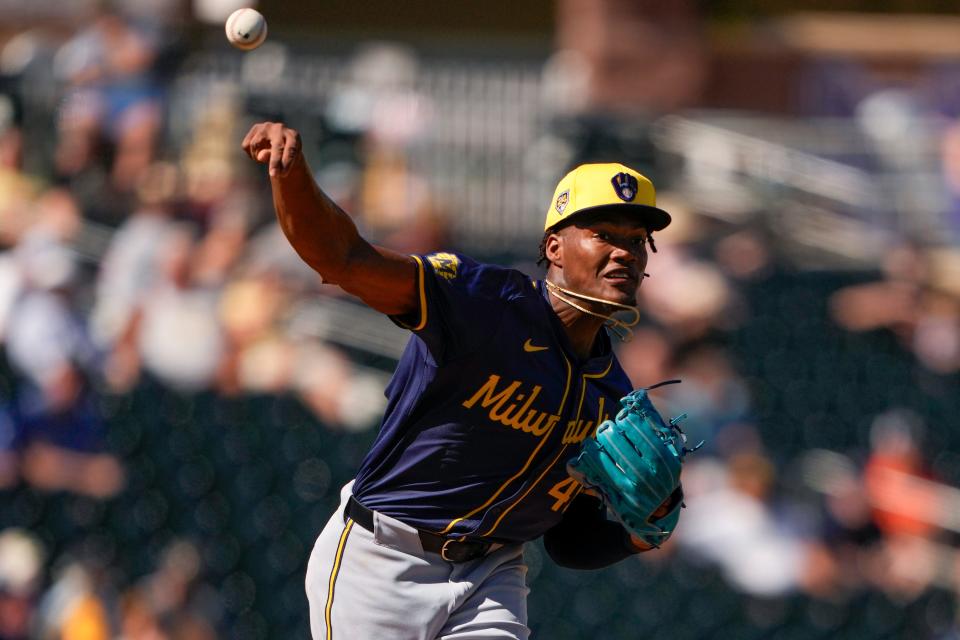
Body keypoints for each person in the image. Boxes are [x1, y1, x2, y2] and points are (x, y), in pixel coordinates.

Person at [242, 122, 676, 640]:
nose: (626, 252)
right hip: (383, 560)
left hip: (491, 574)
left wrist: (641, 533)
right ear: (554, 247)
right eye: (605, 234)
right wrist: (292, 181)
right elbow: (346, 259)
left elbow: (566, 542)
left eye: (637, 240)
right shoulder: (482, 304)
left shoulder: (610, 394)